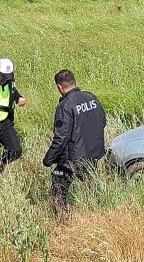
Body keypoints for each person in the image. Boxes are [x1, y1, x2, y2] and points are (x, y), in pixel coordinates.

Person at [43, 69, 107, 214]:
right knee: (92, 185)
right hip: (93, 153)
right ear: (74, 81)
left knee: (58, 192)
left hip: (72, 158)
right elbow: (102, 121)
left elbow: (61, 137)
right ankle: (100, 211)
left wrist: (49, 159)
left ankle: (63, 220)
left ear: (59, 87)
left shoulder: (65, 106)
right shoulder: (91, 97)